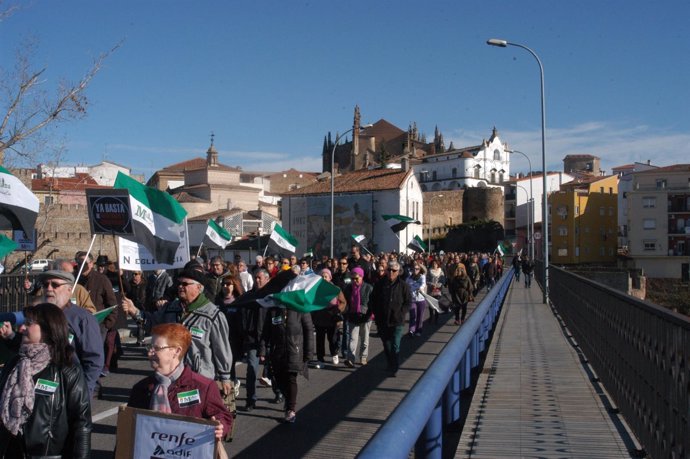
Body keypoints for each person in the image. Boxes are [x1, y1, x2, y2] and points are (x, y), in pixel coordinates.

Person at [122, 269, 235, 438]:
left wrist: (225, 376)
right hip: (169, 377)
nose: (180, 287)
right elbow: (152, 324)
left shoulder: (212, 314)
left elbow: (222, 348)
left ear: (199, 288)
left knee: (193, 426)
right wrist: (134, 311)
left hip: (199, 378)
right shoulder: (171, 308)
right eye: (179, 283)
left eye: (185, 284)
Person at [0, 303, 91, 457]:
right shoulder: (14, 364)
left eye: (29, 323)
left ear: (48, 329)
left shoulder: (67, 372)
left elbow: (81, 426)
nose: (22, 328)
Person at [128, 323, 232, 443]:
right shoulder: (141, 388)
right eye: (149, 347)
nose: (149, 353)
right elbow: (128, 432)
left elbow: (222, 415)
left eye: (156, 348)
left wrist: (220, 426)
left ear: (177, 351)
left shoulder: (204, 386)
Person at [260, 272, 315, 423]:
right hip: (278, 351)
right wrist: (263, 350)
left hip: (294, 350)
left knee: (291, 379)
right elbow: (266, 332)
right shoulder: (274, 308)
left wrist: (309, 352)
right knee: (278, 379)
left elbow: (309, 329)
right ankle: (287, 399)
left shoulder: (300, 307)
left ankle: (291, 408)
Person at [370, 260, 411, 376]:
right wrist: (376, 313)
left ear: (398, 272)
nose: (391, 272)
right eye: (389, 270)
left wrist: (401, 313)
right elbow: (373, 299)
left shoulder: (404, 285)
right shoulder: (380, 284)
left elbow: (408, 302)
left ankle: (394, 367)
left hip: (397, 320)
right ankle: (390, 363)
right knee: (386, 344)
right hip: (382, 319)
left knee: (395, 345)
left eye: (394, 270)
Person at [311, 269, 346, 367]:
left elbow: (343, 302)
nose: (324, 278)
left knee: (332, 338)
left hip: (332, 316)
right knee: (320, 339)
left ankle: (334, 353)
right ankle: (320, 360)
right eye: (322, 276)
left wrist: (338, 310)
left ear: (330, 278)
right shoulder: (316, 288)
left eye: (326, 276)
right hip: (319, 316)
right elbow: (312, 302)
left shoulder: (335, 288)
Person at [343, 267, 373, 367]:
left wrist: (371, 314)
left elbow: (372, 303)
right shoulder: (348, 288)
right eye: (352, 279)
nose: (354, 281)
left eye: (357, 278)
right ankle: (350, 359)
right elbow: (345, 302)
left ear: (361, 277)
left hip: (365, 316)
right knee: (352, 339)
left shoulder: (368, 287)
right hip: (353, 315)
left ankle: (363, 357)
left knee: (365, 339)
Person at [406, 263, 427, 337]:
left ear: (420, 270)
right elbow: (406, 287)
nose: (415, 270)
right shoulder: (409, 278)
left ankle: (419, 330)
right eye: (414, 269)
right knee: (412, 315)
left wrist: (420, 288)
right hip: (412, 299)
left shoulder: (422, 277)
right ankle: (411, 330)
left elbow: (423, 284)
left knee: (420, 316)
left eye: (417, 269)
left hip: (421, 299)